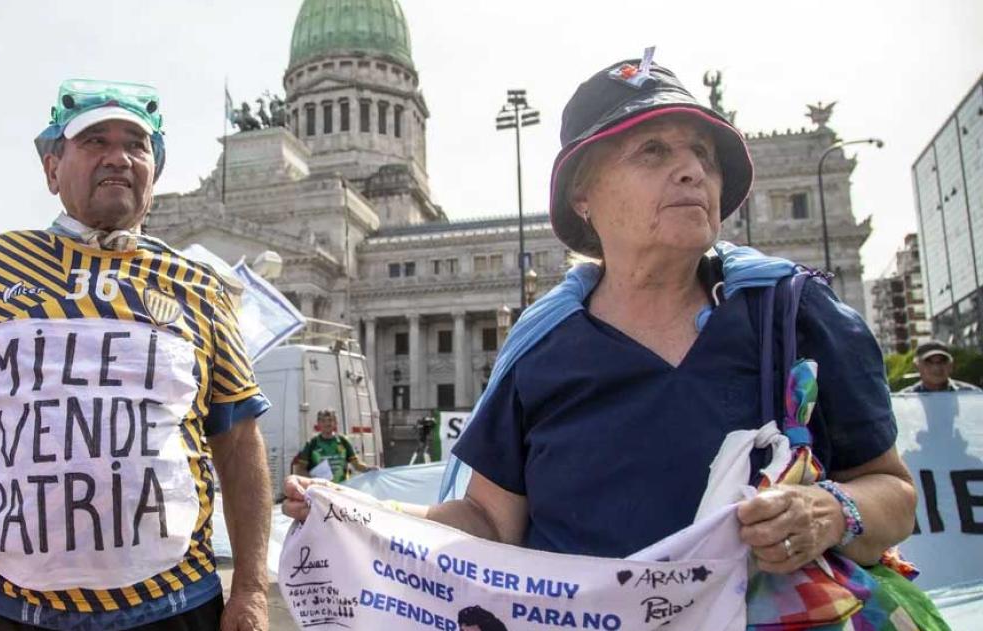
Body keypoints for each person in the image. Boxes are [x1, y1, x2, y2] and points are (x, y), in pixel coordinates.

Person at [285, 57, 915, 583]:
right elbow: (487, 524)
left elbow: (892, 492)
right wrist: (362, 515)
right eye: (652, 151)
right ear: (582, 195)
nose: (693, 170)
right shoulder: (541, 349)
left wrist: (827, 512)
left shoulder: (794, 314)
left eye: (704, 153)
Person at [0, 78, 273, 631]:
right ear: (52, 169)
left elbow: (239, 438)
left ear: (154, 172)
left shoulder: (199, 285)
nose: (118, 157)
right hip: (6, 602)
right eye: (94, 141)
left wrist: (250, 587)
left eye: (136, 145)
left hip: (169, 604)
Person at [291, 409, 377, 483]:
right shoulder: (312, 443)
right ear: (318, 423)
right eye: (323, 421)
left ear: (335, 422)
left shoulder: (343, 441)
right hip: (321, 490)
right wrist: (313, 481)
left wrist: (369, 469)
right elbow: (300, 470)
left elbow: (356, 464)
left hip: (342, 489)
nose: (327, 424)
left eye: (330, 420)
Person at [901, 340, 980, 393]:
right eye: (928, 362)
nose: (936, 368)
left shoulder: (971, 395)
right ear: (917, 366)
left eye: (942, 361)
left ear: (951, 365)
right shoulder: (905, 400)